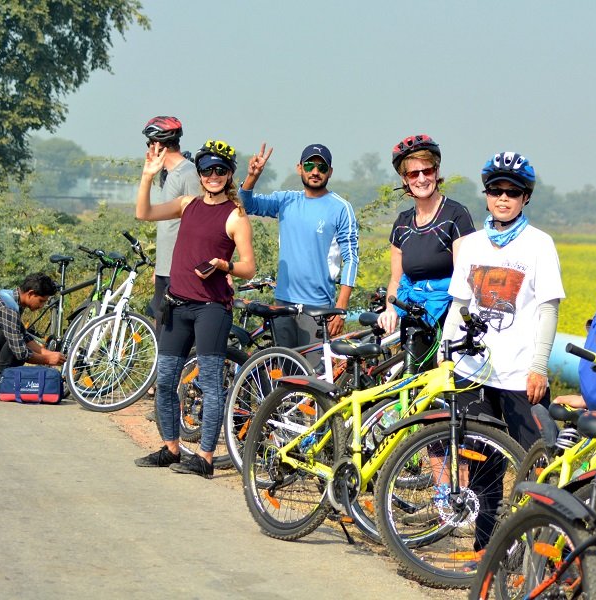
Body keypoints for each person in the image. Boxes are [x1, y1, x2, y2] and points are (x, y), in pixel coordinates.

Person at [439, 151, 566, 558]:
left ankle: (536, 553)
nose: (503, 199)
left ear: (526, 198)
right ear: (487, 195)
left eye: (513, 192)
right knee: (481, 464)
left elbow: (548, 310)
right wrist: (445, 353)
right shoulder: (473, 244)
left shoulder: (539, 244)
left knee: (536, 464)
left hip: (519, 375)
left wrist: (539, 367)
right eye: (496, 191)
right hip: (474, 370)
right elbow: (460, 305)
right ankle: (486, 549)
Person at [134, 139, 256, 478]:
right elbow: (144, 213)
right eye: (206, 170)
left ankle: (204, 457)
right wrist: (148, 176)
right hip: (177, 304)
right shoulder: (187, 204)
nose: (213, 176)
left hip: (211, 309)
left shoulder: (236, 216)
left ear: (229, 174)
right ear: (199, 174)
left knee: (211, 385)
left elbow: (249, 267)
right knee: (165, 379)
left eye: (220, 170)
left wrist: (223, 265)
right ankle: (171, 448)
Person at [239, 143, 358, 347]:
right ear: (299, 168)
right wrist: (253, 176)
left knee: (314, 367)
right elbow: (246, 205)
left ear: (330, 172)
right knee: (284, 365)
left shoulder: (341, 208)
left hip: (318, 308)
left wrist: (341, 309)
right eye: (310, 165)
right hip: (283, 304)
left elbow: (351, 259)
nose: (315, 172)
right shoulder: (286, 200)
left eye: (322, 167)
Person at [377, 134, 475, 370]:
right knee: (412, 384)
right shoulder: (402, 223)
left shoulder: (456, 216)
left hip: (449, 319)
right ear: (405, 179)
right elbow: (396, 279)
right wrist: (390, 309)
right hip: (414, 319)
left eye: (427, 171)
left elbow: (464, 278)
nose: (421, 179)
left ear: (436, 171)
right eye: (413, 174)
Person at [140, 116, 202, 326]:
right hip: (165, 270)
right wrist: (159, 266)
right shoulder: (170, 174)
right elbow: (169, 226)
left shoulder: (189, 173)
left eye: (149, 144)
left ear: (156, 145)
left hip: (181, 272)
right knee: (161, 329)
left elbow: (198, 224)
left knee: (174, 333)